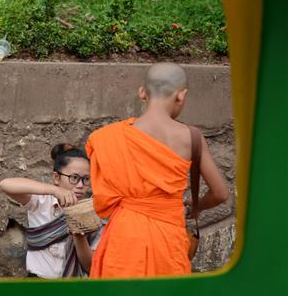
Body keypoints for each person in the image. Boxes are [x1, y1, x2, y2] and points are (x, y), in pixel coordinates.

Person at [86, 62, 229, 278]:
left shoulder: (109, 137)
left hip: (124, 235)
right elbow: (220, 194)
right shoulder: (190, 138)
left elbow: (103, 195)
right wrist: (193, 207)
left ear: (142, 93)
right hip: (167, 235)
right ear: (181, 95)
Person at [0, 144, 100, 278]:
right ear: (56, 178)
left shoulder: (94, 213)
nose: (80, 185)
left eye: (86, 179)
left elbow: (90, 267)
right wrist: (54, 190)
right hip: (38, 285)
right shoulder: (41, 202)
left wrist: (79, 237)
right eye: (74, 178)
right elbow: (5, 184)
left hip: (74, 288)